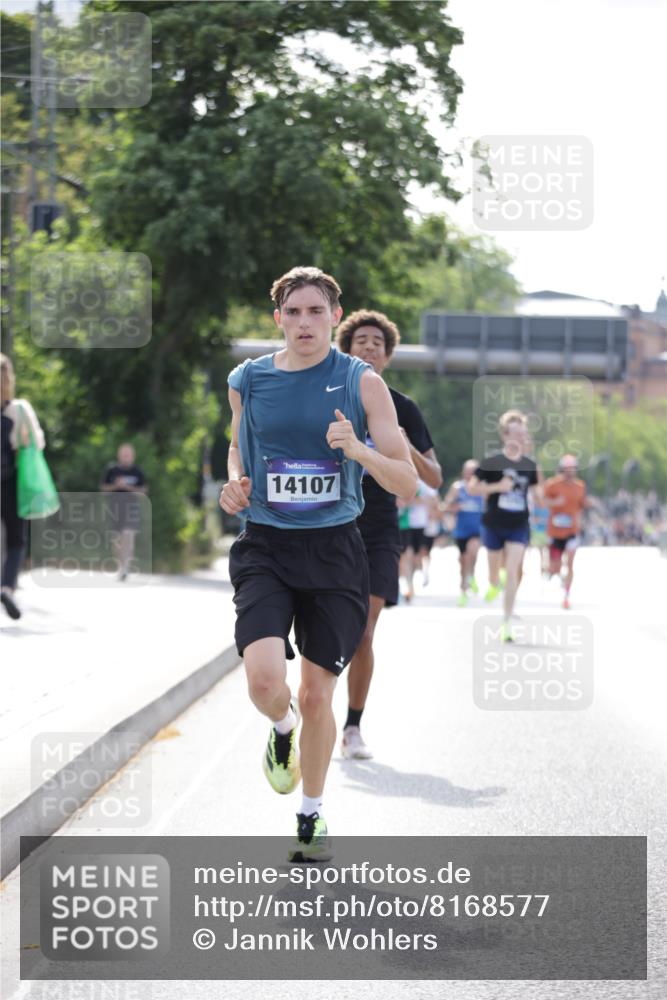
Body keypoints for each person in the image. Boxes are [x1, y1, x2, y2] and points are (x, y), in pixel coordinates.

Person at [219, 269, 417, 859]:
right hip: (265, 545)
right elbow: (237, 446)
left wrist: (357, 449)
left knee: (313, 695)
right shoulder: (247, 380)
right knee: (264, 683)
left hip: (334, 551)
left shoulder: (361, 382)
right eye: (294, 312)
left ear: (335, 316)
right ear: (278, 318)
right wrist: (235, 484)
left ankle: (310, 814)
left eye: (316, 312)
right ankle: (280, 733)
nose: (305, 323)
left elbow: (404, 480)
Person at [335, 310, 441, 758]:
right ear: (347, 347)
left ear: (389, 354)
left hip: (380, 529)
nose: (370, 346)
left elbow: (434, 478)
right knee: (324, 629)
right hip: (329, 524)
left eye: (379, 341)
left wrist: (405, 444)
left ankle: (352, 728)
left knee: (364, 632)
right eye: (361, 339)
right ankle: (310, 702)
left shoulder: (405, 407)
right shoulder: (328, 395)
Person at [467, 410, 542, 641]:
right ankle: (492, 583)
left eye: (523, 433)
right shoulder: (492, 462)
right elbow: (472, 488)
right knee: (494, 576)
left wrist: (541, 493)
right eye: (516, 433)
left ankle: (507, 622)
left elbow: (539, 494)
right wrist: (497, 487)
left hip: (519, 523)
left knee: (512, 571)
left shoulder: (530, 465)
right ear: (505, 435)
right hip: (493, 523)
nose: (520, 438)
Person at [1, 353, 46, 620]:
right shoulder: (18, 410)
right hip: (10, 482)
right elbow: (36, 445)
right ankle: (7, 587)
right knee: (17, 541)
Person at [543, 454, 590, 609]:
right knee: (555, 568)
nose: (570, 471)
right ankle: (559, 576)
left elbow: (582, 505)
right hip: (555, 531)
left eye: (573, 468)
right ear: (562, 469)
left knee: (570, 563)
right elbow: (541, 501)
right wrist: (554, 502)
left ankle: (566, 596)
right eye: (567, 468)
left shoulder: (580, 486)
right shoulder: (552, 484)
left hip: (572, 531)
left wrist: (586, 507)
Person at [101, 443, 148, 581]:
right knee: (116, 540)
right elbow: (103, 490)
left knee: (128, 535)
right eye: (123, 454)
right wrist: (116, 485)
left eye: (128, 454)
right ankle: (120, 565)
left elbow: (144, 491)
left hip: (131, 508)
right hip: (114, 508)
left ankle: (125, 568)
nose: (126, 457)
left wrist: (127, 487)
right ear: (119, 456)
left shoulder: (137, 472)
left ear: (132, 456)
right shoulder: (111, 470)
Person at [443, 459, 484, 607]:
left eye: (474, 471)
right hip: (461, 529)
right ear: (464, 472)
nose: (470, 474)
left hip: (477, 528)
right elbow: (446, 505)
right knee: (463, 559)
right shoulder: (457, 487)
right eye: (468, 471)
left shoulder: (482, 488)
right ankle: (464, 586)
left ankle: (471, 577)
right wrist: (454, 506)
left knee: (472, 551)